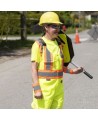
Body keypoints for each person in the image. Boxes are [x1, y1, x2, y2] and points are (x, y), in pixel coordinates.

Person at [31, 12, 83, 109]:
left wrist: (72, 71)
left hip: (58, 89)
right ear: (46, 27)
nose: (58, 29)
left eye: (59, 27)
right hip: (44, 90)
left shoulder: (59, 44)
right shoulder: (38, 45)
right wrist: (37, 89)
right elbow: (34, 69)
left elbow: (58, 68)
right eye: (55, 26)